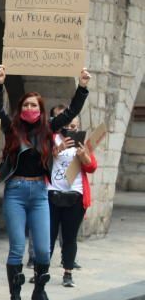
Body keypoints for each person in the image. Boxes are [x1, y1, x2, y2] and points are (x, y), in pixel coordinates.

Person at [0, 64, 90, 300]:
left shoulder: (49, 129)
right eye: (26, 105)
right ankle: (15, 298)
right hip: (15, 191)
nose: (29, 109)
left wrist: (82, 87)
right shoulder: (12, 128)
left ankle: (40, 291)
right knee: (16, 248)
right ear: (21, 108)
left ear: (41, 109)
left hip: (39, 192)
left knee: (44, 251)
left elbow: (72, 112)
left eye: (34, 105)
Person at [48, 113, 97, 288]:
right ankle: (42, 271)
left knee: (70, 236)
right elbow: (42, 161)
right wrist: (57, 150)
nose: (70, 129)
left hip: (75, 194)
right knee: (48, 235)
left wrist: (84, 156)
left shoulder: (83, 143)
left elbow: (92, 167)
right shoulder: (51, 138)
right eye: (67, 125)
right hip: (52, 192)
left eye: (74, 126)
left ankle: (68, 272)